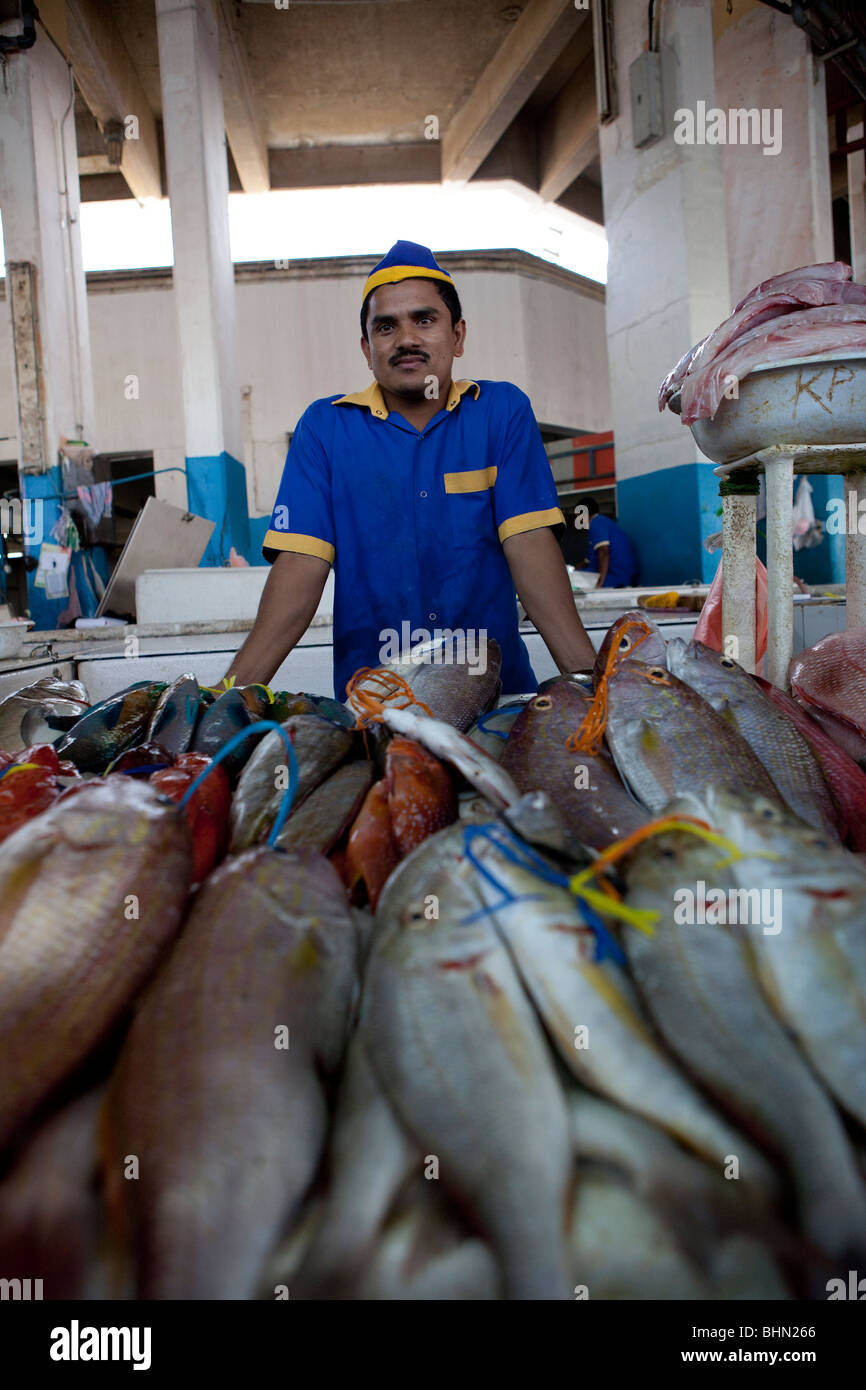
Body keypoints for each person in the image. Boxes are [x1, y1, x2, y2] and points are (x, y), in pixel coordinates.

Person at [225, 239, 597, 697]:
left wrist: (594, 688)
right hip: (377, 709)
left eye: (424, 319)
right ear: (367, 348)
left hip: (496, 702)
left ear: (458, 336)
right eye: (386, 326)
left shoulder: (500, 413)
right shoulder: (326, 428)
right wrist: (219, 701)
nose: (406, 339)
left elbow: (530, 548)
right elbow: (299, 573)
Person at [581, 495, 638, 588]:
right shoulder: (600, 524)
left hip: (617, 578)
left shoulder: (597, 522)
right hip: (618, 576)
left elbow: (604, 552)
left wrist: (601, 582)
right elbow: (586, 563)